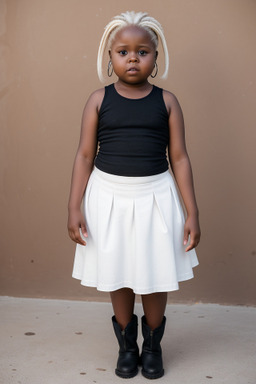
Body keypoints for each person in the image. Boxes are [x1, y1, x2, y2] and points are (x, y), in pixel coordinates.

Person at [67, 11, 201, 380]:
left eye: (142, 52)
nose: (132, 58)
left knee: (155, 274)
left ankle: (152, 346)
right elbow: (83, 155)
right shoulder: (98, 100)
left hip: (156, 197)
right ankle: (127, 346)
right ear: (110, 56)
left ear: (156, 57)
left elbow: (180, 158)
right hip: (108, 197)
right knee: (120, 274)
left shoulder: (168, 101)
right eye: (123, 51)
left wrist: (192, 212)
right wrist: (73, 205)